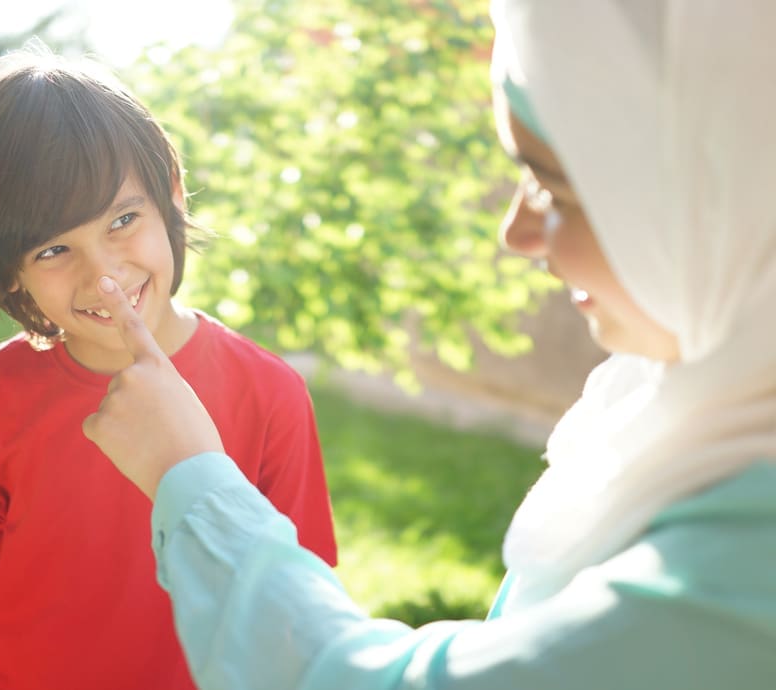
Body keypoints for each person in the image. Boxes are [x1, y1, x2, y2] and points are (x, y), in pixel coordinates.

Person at [81, 1, 776, 688]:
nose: (516, 233)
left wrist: (192, 480)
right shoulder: (687, 398)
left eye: (554, 187)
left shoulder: (746, 563)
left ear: (722, 193)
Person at [0, 48, 337, 690]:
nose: (103, 276)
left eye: (123, 220)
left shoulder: (270, 396)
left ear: (172, 191)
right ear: (10, 271)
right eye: (53, 249)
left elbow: (300, 610)